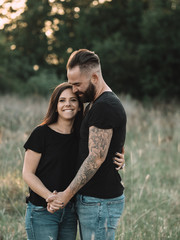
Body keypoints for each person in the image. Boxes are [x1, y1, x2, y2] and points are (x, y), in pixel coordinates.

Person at [22, 82, 125, 240]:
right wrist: (50, 197)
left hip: (70, 210)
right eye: (62, 100)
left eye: (73, 100)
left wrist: (120, 160)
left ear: (79, 106)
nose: (67, 104)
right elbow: (28, 174)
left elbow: (99, 153)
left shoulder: (81, 136)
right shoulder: (41, 133)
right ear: (55, 106)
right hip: (42, 210)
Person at [47, 49, 127, 240]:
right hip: (95, 201)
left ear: (94, 77)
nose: (74, 90)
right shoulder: (97, 103)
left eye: (77, 84)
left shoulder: (104, 105)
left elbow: (96, 157)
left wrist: (66, 195)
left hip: (99, 201)